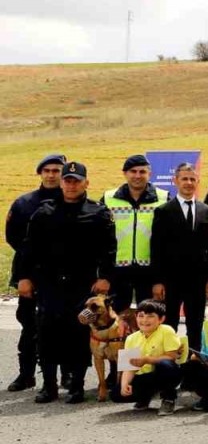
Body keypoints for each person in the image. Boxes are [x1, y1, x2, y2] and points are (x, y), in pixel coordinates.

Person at [18, 161, 115, 404]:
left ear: (86, 183)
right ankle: (48, 385)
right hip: (49, 284)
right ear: (61, 183)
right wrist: (24, 277)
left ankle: (77, 385)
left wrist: (105, 277)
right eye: (67, 180)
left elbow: (109, 249)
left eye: (76, 181)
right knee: (47, 333)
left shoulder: (98, 212)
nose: (71, 185)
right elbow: (29, 248)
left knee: (80, 333)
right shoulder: (44, 212)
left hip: (83, 286)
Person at [5, 152, 64, 392]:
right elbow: (15, 240)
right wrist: (24, 277)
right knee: (29, 326)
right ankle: (26, 374)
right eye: (46, 171)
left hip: (63, 277)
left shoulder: (74, 198)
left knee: (64, 327)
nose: (51, 175)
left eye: (56, 171)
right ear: (40, 173)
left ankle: (67, 375)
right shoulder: (23, 203)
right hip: (31, 273)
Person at [152, 162, 208, 353]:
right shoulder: (163, 211)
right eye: (184, 179)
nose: (189, 183)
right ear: (175, 181)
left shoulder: (206, 211)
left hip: (197, 281)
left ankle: (194, 363)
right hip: (171, 280)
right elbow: (157, 248)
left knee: (195, 324)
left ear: (197, 181)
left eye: (192, 179)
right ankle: (169, 364)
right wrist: (158, 281)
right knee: (170, 324)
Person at [102, 154, 163, 312]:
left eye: (142, 172)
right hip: (117, 270)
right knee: (114, 319)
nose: (137, 176)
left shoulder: (163, 198)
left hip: (149, 270)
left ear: (149, 174)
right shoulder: (109, 198)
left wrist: (160, 279)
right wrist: (103, 274)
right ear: (125, 173)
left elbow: (168, 241)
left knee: (150, 318)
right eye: (133, 171)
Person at [116, 299, 186, 415]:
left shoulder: (166, 330)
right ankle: (145, 397)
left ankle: (168, 399)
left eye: (150, 316)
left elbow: (171, 357)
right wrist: (124, 385)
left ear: (161, 319)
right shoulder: (131, 338)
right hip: (145, 376)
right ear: (136, 317)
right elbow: (129, 367)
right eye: (141, 316)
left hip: (167, 372)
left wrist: (146, 360)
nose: (144, 320)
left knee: (165, 365)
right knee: (117, 394)